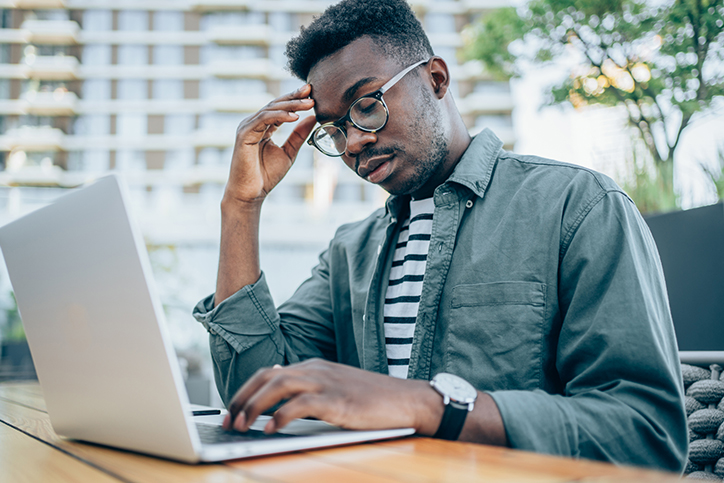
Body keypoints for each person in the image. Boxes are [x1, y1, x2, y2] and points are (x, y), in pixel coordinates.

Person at [193, 0, 687, 472]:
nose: (355, 141)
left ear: (436, 79)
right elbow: (254, 391)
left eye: (367, 105)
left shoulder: (577, 206)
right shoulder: (350, 252)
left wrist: (427, 405)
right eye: (335, 130)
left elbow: (646, 433)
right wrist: (241, 207)